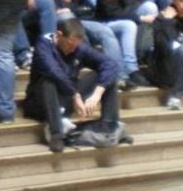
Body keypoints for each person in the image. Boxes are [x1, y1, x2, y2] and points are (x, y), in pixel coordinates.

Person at [24, 18, 120, 153]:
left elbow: (110, 64)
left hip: (67, 97)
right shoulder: (44, 44)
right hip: (41, 101)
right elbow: (54, 71)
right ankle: (56, 134)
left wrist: (97, 93)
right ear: (59, 35)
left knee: (106, 77)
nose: (72, 49)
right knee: (49, 80)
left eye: (76, 45)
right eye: (70, 44)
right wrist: (75, 95)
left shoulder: (78, 48)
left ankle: (109, 126)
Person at [94, 0, 157, 87]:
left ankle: (143, 53)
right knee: (130, 24)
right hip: (106, 23)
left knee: (150, 7)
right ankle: (131, 68)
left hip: (126, 20)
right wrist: (140, 19)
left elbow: (131, 9)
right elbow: (112, 13)